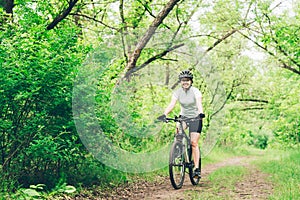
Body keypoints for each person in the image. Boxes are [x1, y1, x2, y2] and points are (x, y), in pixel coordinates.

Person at [158, 70, 205, 178]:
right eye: (183, 80)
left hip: (196, 118)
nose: (185, 82)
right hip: (183, 117)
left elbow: (199, 103)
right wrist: (164, 114)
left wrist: (201, 113)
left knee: (193, 143)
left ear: (191, 81)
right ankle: (178, 151)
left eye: (187, 80)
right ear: (180, 82)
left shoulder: (195, 91)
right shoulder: (178, 92)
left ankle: (196, 168)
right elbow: (172, 104)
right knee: (178, 134)